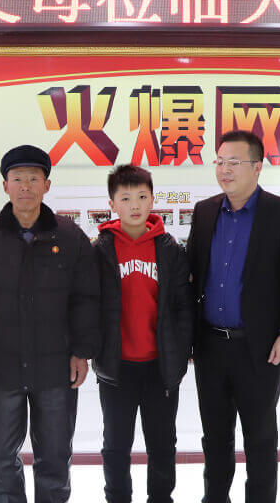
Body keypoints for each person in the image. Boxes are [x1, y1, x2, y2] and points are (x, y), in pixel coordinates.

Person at [0, 144, 100, 503]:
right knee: (0, 456)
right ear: (5, 185)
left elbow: (86, 299)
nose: (25, 186)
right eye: (17, 179)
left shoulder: (70, 237)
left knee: (55, 456)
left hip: (56, 368)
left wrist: (81, 352)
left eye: (34, 179)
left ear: (46, 185)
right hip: (0, 366)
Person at [186, 130, 280, 503]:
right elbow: (192, 273)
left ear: (257, 167)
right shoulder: (205, 211)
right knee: (215, 437)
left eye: (234, 163)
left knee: (259, 437)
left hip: (259, 348)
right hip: (210, 345)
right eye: (219, 162)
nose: (224, 170)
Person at [93, 165, 195, 503]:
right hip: (116, 367)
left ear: (152, 200)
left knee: (163, 444)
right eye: (125, 198)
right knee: (116, 445)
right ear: (112, 204)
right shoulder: (101, 249)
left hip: (159, 367)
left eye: (141, 197)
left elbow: (183, 306)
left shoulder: (169, 249)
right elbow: (89, 305)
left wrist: (180, 353)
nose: (134, 205)